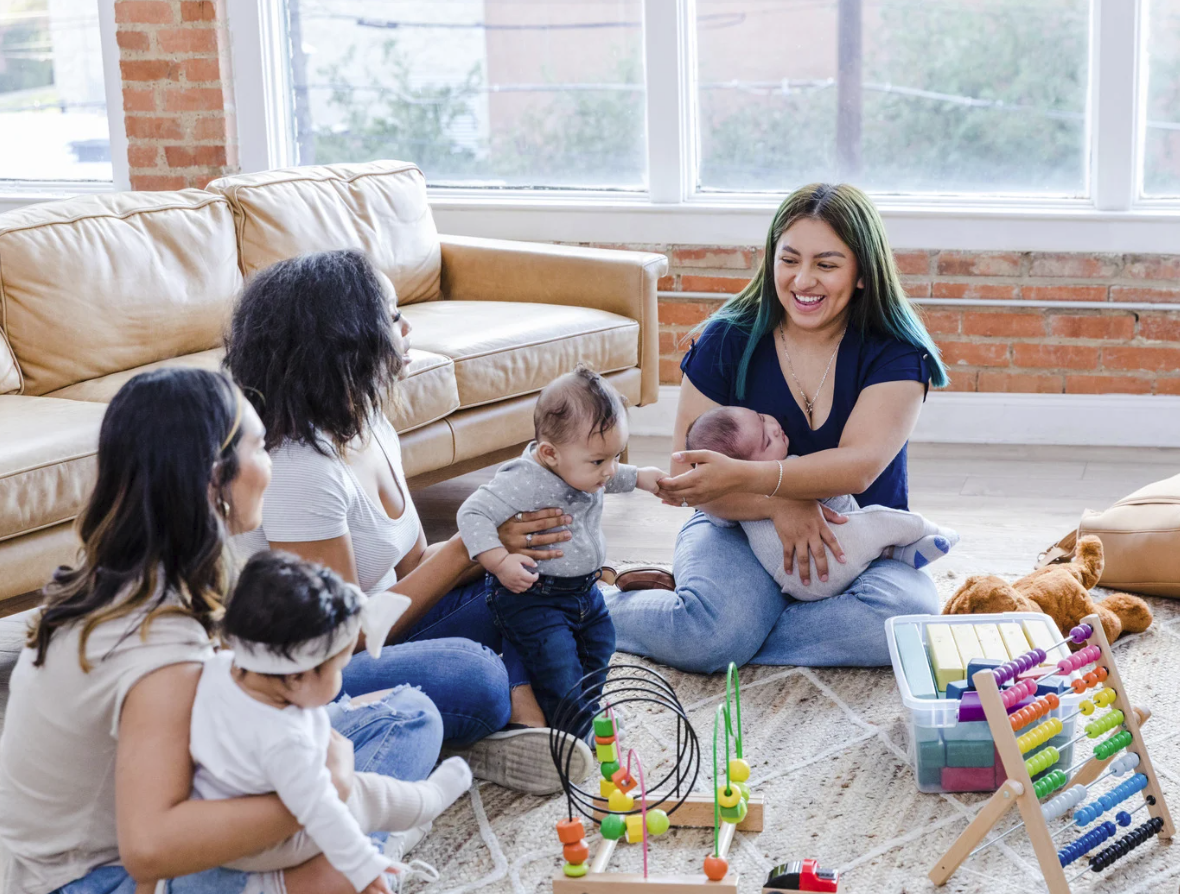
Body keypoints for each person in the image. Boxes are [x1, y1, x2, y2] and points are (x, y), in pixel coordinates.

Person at [0, 368, 445, 894]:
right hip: (93, 878)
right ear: (216, 478)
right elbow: (148, 849)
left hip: (175, 791)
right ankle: (365, 847)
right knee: (339, 863)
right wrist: (326, 787)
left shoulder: (133, 572)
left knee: (409, 714)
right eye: (261, 447)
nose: (271, 466)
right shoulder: (157, 644)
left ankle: (361, 837)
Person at [225, 250, 592, 793]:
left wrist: (497, 539)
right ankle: (484, 719)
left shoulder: (370, 424)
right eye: (392, 314)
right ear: (346, 339)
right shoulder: (301, 470)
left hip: (390, 630)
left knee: (546, 590)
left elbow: (415, 565)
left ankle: (490, 726)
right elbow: (339, 641)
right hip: (319, 667)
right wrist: (469, 547)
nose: (406, 326)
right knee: (477, 674)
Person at [606, 183, 948, 672]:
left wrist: (783, 491)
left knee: (906, 620)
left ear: (862, 275)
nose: (803, 280)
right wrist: (780, 504)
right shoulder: (728, 338)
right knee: (714, 636)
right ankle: (594, 610)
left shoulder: (896, 353)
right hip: (736, 528)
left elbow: (858, 469)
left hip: (860, 538)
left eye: (826, 265)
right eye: (789, 260)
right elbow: (688, 473)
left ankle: (730, 628)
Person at [184, 552, 471, 894]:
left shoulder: (220, 668)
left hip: (218, 830)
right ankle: (427, 802)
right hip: (266, 847)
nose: (341, 678)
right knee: (362, 794)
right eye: (337, 669)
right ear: (296, 677)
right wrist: (364, 866)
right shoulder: (285, 740)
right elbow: (324, 813)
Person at [456, 368, 664, 737]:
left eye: (615, 456)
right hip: (536, 598)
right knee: (558, 665)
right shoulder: (523, 478)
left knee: (600, 647)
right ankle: (572, 735)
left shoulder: (583, 464)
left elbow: (608, 474)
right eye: (600, 461)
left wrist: (642, 477)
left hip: (585, 592)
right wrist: (499, 561)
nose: (609, 470)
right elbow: (471, 513)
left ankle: (583, 707)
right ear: (550, 454)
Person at [684, 405, 957, 600]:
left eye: (761, 416)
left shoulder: (730, 499)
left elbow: (716, 513)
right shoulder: (791, 468)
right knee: (882, 520)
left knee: (906, 603)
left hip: (790, 580)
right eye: (767, 442)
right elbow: (835, 496)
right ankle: (932, 531)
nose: (774, 427)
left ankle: (896, 554)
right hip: (830, 557)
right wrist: (778, 504)